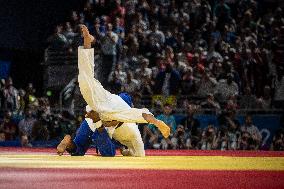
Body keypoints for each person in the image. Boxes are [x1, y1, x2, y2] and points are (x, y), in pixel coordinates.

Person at [77, 25, 170, 139]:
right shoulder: (120, 111)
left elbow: (107, 122)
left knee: (86, 77)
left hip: (105, 101)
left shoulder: (115, 110)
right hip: (108, 102)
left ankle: (88, 42)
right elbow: (131, 116)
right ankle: (155, 121)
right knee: (86, 78)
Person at [57, 92, 145, 157]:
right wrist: (126, 153)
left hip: (91, 120)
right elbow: (140, 153)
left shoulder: (111, 100)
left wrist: (126, 152)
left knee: (78, 150)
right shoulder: (130, 125)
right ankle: (98, 123)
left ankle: (69, 142)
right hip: (99, 124)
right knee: (109, 153)